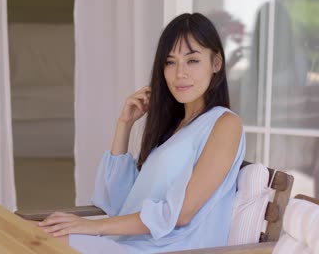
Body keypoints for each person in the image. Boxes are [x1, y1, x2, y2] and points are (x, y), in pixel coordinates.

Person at [36, 13, 245, 253]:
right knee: (24, 230)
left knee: (36, 240)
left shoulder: (225, 124)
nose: (180, 73)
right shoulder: (174, 129)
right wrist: (124, 124)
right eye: (170, 62)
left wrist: (92, 227)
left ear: (216, 63)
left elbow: (181, 213)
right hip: (134, 244)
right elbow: (117, 202)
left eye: (192, 60)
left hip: (173, 248)